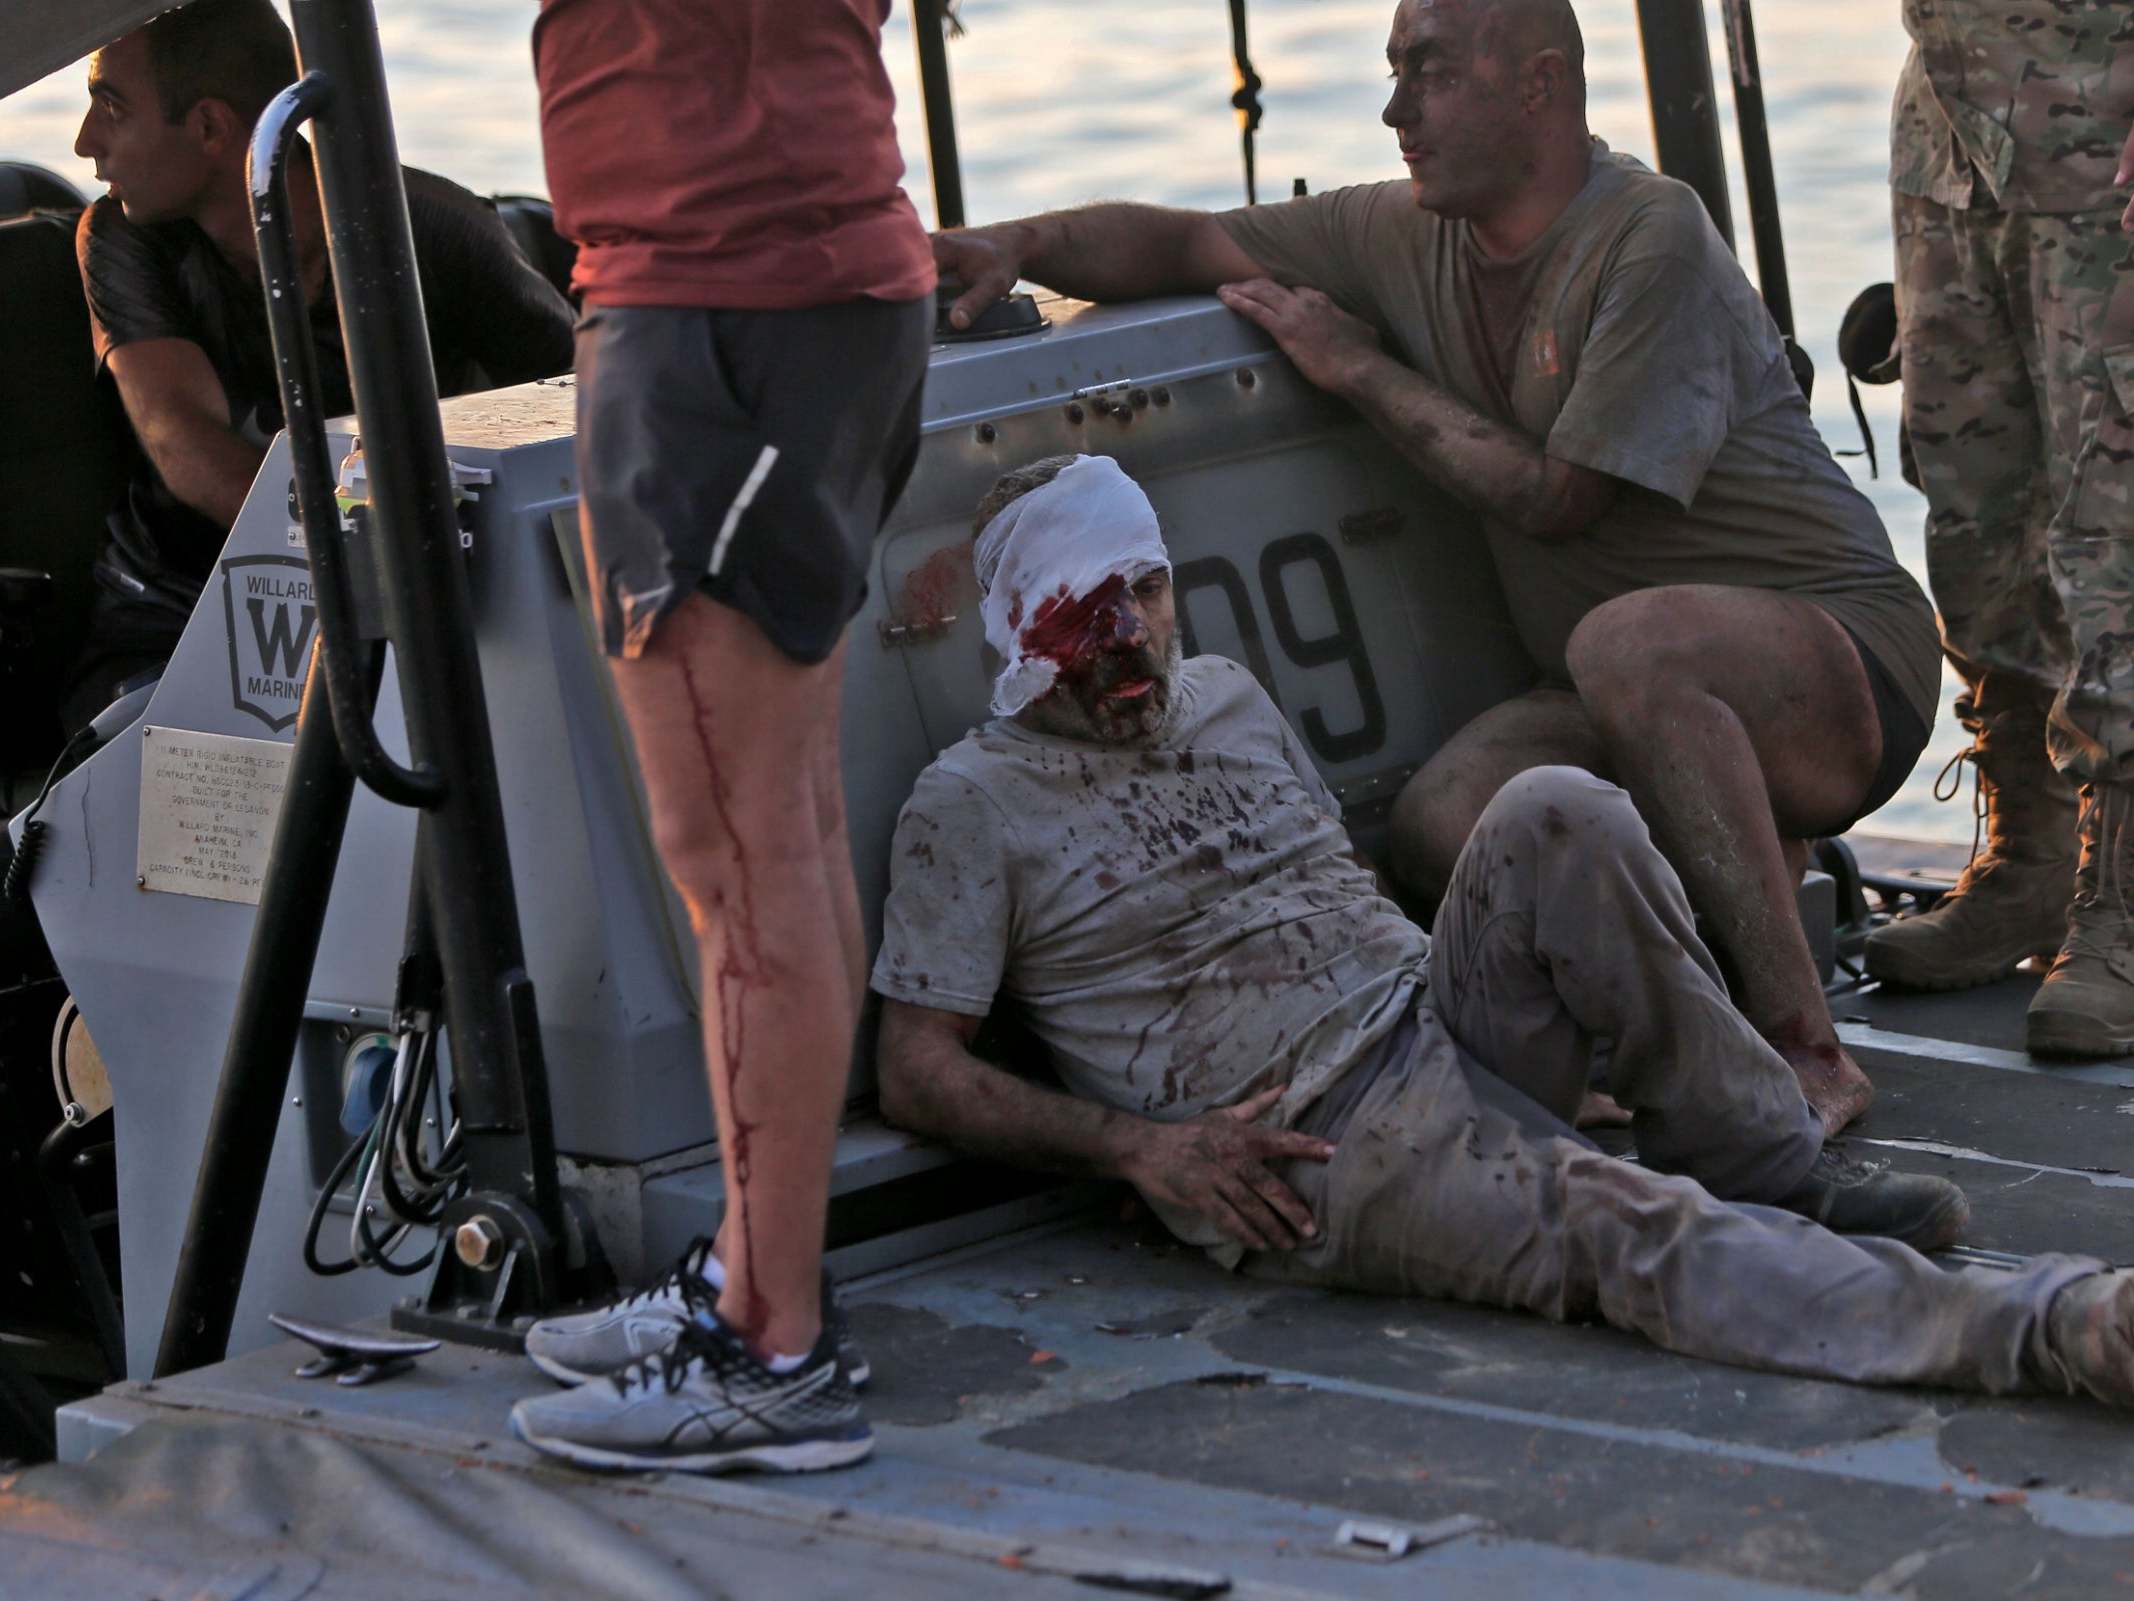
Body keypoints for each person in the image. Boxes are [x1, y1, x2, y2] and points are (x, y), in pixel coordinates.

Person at [868, 452, 2134, 1410]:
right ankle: (2050, 1328)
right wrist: (1143, 1152)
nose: (1133, 631)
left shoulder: (1227, 698)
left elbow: (1328, 885)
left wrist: (1520, 1056)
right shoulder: (972, 805)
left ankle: (1768, 1171)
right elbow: (918, 1070)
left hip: (1427, 1015)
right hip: (1307, 1141)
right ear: (1023, 636)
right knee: (1618, 1224)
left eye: (1146, 588)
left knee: (1555, 807)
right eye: (1089, 611)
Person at [932, 0, 1939, 1136]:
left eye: (1430, 75)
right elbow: (1178, 242)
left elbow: (1556, 500)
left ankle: (1807, 1050)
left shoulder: (1650, 237)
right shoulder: (1407, 231)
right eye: (1392, 72)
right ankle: (1662, 1027)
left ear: (1539, 87)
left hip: (1843, 667)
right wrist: (1014, 242)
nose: (1394, 110)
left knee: (1629, 643)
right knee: (1446, 818)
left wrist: (1357, 368)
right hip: (1618, 686)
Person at [507, 0, 934, 1475]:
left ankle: (767, 1349)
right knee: (783, 832)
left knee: (735, 862)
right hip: (794, 286)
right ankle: (758, 1277)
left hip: (725, 301)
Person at [64, 0, 576, 733]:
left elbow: (585, 397)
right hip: (174, 608)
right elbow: (184, 442)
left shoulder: (433, 229)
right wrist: (371, 556)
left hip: (421, 599)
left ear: (210, 127)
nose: (85, 143)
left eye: (109, 107)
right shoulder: (124, 238)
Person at [1862, 5, 2134, 1057]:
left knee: (2112, 520)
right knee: (1971, 494)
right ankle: (2029, 858)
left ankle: (2120, 904)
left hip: (2102, 113)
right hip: (1951, 122)